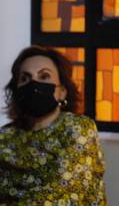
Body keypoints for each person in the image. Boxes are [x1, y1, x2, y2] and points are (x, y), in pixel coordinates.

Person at [0, 45, 107, 205]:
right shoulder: (6, 136)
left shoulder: (78, 129)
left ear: (62, 91)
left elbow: (60, 195)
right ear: (16, 91)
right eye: (25, 78)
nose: (33, 84)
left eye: (44, 76)